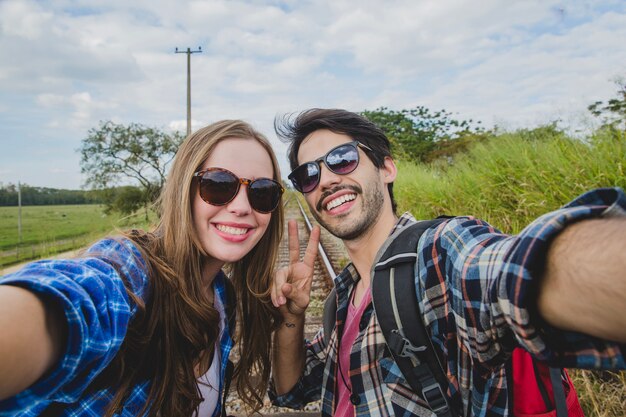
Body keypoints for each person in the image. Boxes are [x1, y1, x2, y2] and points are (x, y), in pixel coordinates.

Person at [269, 108, 626, 417]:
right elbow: (290, 389)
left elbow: (506, 272)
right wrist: (292, 317)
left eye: (342, 159)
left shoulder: (438, 254)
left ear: (387, 168)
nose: (327, 180)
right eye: (308, 175)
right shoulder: (343, 299)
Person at [0, 120, 286, 417]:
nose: (241, 207)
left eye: (262, 192)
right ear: (183, 189)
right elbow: (79, 300)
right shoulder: (133, 271)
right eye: (218, 185)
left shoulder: (223, 297)